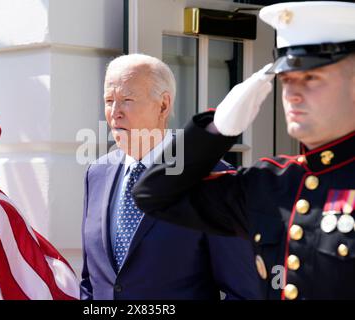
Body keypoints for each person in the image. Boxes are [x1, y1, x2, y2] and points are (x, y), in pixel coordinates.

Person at [133, 1, 355, 300]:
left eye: (311, 78)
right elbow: (154, 195)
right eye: (286, 80)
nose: (292, 94)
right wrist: (217, 127)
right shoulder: (273, 181)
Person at [80, 54, 261, 300]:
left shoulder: (212, 177)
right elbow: (92, 282)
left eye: (127, 100)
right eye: (109, 100)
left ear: (163, 105)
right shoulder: (97, 174)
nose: (114, 113)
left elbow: (245, 292)